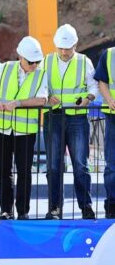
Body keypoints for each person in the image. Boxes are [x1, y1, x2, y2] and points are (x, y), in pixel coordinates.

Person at [0, 36, 47, 220]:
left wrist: (19, 103)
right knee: (3, 171)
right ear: (20, 57)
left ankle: (23, 211)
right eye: (31, 62)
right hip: (1, 129)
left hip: (25, 132)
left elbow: (42, 99)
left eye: (37, 61)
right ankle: (6, 209)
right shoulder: (5, 68)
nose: (35, 65)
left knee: (24, 172)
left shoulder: (41, 73)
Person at [44, 24, 97, 220]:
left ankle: (86, 207)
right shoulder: (47, 61)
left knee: (81, 165)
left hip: (77, 118)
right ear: (56, 45)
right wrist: (47, 96)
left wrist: (88, 98)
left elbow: (93, 85)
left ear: (76, 44)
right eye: (61, 48)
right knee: (53, 166)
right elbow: (40, 85)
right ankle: (55, 208)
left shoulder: (84, 61)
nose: (64, 52)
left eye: (68, 48)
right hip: (54, 117)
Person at [96, 43, 115, 218]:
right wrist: (110, 100)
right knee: (112, 164)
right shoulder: (108, 55)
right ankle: (112, 204)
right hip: (113, 116)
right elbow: (102, 82)